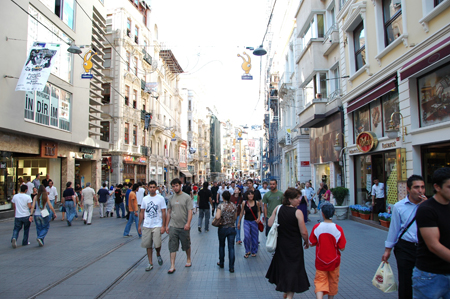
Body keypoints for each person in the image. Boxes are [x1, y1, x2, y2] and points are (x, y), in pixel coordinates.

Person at [381, 175, 426, 299]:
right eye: (416, 187)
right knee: (406, 280)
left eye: (422, 187)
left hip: (424, 248)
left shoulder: (429, 206)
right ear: (408, 189)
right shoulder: (399, 206)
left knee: (425, 279)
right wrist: (387, 249)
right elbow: (394, 229)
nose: (420, 190)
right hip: (405, 247)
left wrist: (427, 206)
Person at [266, 188, 310, 299]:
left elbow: (270, 223)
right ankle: (289, 296)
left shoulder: (278, 208)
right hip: (294, 247)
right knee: (293, 271)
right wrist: (306, 242)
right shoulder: (298, 212)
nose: (299, 200)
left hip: (281, 246)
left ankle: (286, 292)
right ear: (289, 199)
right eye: (296, 198)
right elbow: (304, 232)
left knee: (285, 269)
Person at [413, 167, 450, 298]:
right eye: (449, 187)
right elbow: (433, 245)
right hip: (430, 275)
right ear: (437, 187)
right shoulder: (427, 209)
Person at [309, 202, 346, 299]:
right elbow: (342, 247)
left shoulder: (317, 227)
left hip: (320, 259)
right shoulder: (338, 229)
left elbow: (311, 242)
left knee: (320, 280)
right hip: (334, 260)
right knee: (333, 281)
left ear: (322, 214)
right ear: (333, 213)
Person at [165, 178, 193, 274]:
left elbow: (190, 211)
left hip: (184, 226)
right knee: (172, 246)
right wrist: (166, 225)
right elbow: (168, 212)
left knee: (186, 245)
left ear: (180, 185)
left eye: (176, 186)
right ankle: (172, 265)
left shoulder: (186, 197)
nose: (175, 188)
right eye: (173, 186)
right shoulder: (171, 198)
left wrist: (188, 223)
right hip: (173, 226)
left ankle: (188, 258)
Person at [138, 181, 167, 271]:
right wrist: (139, 225)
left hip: (157, 224)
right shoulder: (145, 199)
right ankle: (150, 263)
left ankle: (158, 253)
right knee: (148, 245)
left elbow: (163, 212)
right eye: (150, 187)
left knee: (157, 244)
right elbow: (142, 212)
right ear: (148, 188)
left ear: (156, 188)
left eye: (154, 187)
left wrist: (164, 226)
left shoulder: (160, 198)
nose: (152, 189)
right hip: (147, 225)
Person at [215, 190, 237, 273]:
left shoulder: (221, 206)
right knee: (231, 247)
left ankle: (221, 262)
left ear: (222, 197)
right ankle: (231, 267)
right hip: (231, 228)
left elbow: (217, 217)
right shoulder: (234, 206)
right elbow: (235, 217)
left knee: (221, 246)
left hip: (222, 228)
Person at [238, 190, 261, 258]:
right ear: (247, 195)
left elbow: (259, 211)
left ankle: (254, 251)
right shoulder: (244, 203)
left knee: (255, 236)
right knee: (247, 236)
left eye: (252, 194)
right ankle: (247, 250)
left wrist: (259, 218)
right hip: (246, 221)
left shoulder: (256, 202)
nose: (250, 196)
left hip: (254, 221)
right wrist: (239, 222)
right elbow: (241, 212)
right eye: (249, 194)